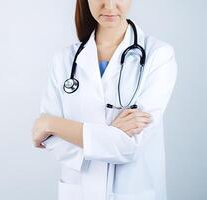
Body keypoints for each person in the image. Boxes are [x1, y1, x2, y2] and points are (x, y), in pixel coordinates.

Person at [31, 0, 177, 200]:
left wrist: (51, 123)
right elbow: (53, 141)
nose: (109, 5)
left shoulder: (158, 55)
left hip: (133, 190)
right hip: (78, 191)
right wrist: (110, 136)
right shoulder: (64, 59)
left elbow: (130, 145)